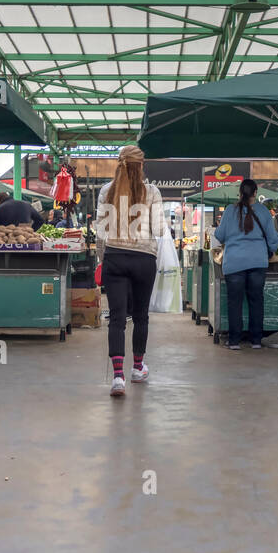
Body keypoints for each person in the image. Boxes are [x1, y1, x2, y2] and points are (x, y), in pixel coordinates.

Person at [94, 145, 165, 398]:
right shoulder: (153, 192)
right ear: (141, 165)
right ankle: (137, 369)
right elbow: (158, 230)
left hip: (115, 258)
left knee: (116, 318)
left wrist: (103, 260)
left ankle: (117, 378)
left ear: (118, 164)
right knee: (141, 316)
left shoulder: (106, 191)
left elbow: (101, 233)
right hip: (145, 259)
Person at [212, 178, 278, 350]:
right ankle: (256, 340)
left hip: (234, 262)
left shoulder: (229, 211)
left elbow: (219, 235)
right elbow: (273, 240)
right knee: (256, 301)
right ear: (255, 193)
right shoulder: (264, 211)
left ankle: (234, 341)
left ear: (240, 193)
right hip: (258, 261)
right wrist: (270, 249)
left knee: (235, 302)